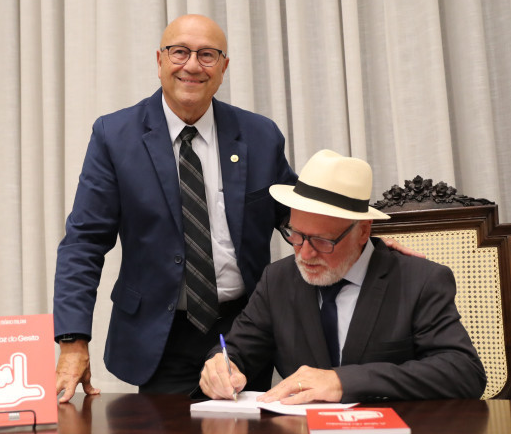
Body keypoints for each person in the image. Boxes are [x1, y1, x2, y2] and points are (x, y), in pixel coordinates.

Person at [53, 14, 297, 401]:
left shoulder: (259, 135)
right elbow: (84, 242)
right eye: (179, 52)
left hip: (243, 329)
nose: (192, 65)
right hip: (159, 333)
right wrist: (72, 341)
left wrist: (371, 244)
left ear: (224, 67)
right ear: (160, 59)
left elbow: (296, 216)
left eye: (207, 55)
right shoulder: (115, 137)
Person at [199, 150, 486, 403]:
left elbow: (463, 372)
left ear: (362, 231)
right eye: (296, 236)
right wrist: (220, 366)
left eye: (323, 241)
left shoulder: (419, 281)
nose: (305, 254)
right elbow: (235, 350)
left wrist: (344, 381)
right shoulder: (278, 280)